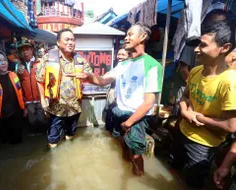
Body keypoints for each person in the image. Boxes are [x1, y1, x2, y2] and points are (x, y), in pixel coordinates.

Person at [70, 23, 163, 176]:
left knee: (136, 154)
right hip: (119, 112)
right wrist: (88, 77)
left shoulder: (152, 65)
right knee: (123, 146)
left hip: (136, 117)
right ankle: (127, 173)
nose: (126, 37)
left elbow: (148, 102)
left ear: (143, 37)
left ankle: (138, 177)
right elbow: (103, 80)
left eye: (130, 34)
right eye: (126, 34)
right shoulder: (123, 64)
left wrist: (129, 122)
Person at [170, 21, 236, 189]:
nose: (196, 49)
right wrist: (185, 112)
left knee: (193, 183)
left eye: (203, 45)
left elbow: (230, 126)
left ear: (224, 47)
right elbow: (185, 97)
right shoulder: (195, 71)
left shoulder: (230, 82)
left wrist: (198, 117)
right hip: (182, 132)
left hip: (203, 145)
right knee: (173, 172)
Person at [36, 28, 92, 148]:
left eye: (72, 40)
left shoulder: (80, 59)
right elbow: (39, 80)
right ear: (58, 42)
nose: (70, 42)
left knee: (70, 136)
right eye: (67, 39)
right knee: (53, 141)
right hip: (55, 108)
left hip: (74, 107)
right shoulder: (48, 58)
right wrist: (42, 101)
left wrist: (86, 76)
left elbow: (90, 75)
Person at [171, 9, 228, 115]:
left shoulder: (229, 80)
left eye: (222, 24)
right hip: (191, 91)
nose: (217, 27)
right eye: (214, 23)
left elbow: (229, 125)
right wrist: (198, 89)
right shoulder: (196, 42)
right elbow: (184, 69)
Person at [15, 39, 48, 133]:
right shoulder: (18, 66)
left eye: (27, 49)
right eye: (22, 50)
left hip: (40, 97)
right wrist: (22, 100)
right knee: (32, 120)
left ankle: (43, 135)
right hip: (28, 100)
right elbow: (18, 83)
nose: (25, 52)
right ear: (20, 53)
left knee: (42, 119)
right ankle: (35, 135)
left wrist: (46, 97)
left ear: (32, 50)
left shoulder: (40, 63)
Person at [105, 47, 130, 134]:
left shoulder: (129, 69)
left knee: (118, 128)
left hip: (121, 104)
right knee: (109, 125)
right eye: (118, 54)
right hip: (112, 101)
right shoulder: (117, 67)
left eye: (123, 54)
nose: (120, 57)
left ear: (129, 56)